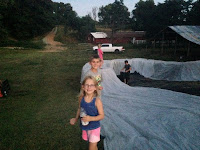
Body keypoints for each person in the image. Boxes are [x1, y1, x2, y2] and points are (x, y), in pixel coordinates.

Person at [70, 76, 104, 150]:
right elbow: (80, 109)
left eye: (92, 85)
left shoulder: (97, 101)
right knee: (93, 146)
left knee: (91, 148)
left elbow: (102, 116)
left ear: (95, 87)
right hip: (85, 126)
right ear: (83, 86)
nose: (89, 87)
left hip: (94, 127)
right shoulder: (81, 98)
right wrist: (76, 118)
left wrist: (91, 118)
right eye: (86, 85)